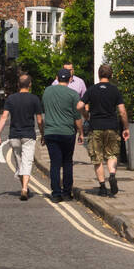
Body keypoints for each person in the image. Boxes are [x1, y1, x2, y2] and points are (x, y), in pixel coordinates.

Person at [78, 64, 129, 197]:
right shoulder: (115, 90)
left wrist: (86, 115)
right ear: (111, 75)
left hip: (95, 128)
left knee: (97, 158)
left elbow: (79, 106)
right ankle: (112, 174)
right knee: (112, 155)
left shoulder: (92, 90)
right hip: (112, 127)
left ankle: (102, 187)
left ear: (99, 75)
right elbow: (122, 112)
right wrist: (126, 128)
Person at [0, 74, 43, 202]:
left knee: (20, 163)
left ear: (18, 85)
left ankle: (24, 187)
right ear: (30, 85)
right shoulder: (34, 99)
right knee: (27, 162)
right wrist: (43, 134)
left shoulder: (11, 99)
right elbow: (39, 120)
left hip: (14, 135)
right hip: (28, 135)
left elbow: (4, 117)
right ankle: (25, 188)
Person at [42, 69, 84, 202]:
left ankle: (55, 194)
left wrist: (43, 133)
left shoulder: (47, 91)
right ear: (70, 79)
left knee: (55, 163)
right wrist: (81, 133)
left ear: (56, 78)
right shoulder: (73, 94)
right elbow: (77, 117)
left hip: (50, 132)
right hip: (67, 132)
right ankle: (66, 193)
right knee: (67, 162)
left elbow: (45, 109)